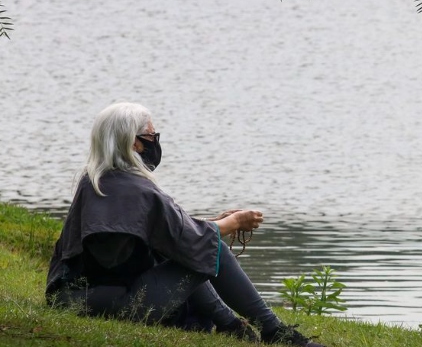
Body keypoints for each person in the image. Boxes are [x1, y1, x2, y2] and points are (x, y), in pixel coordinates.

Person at [45, 102, 325, 347]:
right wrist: (234, 222)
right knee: (211, 249)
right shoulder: (134, 189)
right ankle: (273, 330)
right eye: (151, 135)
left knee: (192, 248)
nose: (155, 141)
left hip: (73, 298)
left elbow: (164, 233)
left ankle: (231, 325)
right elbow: (187, 239)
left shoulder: (97, 180)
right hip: (109, 304)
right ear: (134, 143)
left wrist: (213, 222)